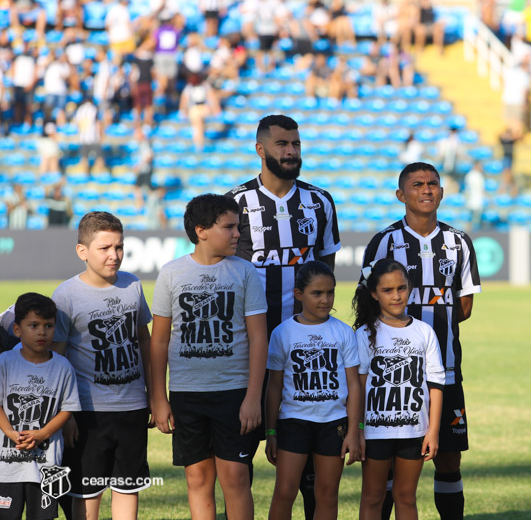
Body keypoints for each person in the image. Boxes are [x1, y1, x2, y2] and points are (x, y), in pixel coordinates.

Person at [227, 114, 341, 520]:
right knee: (236, 461)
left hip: (304, 353)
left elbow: (324, 273)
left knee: (309, 465)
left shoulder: (320, 201)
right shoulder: (235, 203)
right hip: (243, 352)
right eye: (281, 144)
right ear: (260, 150)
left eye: (295, 144)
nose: (290, 151)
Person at [361, 162, 481, 520]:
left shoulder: (458, 241)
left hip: (444, 368)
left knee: (448, 456)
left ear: (442, 192)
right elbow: (366, 304)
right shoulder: (384, 242)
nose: (426, 190)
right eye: (417, 185)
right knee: (388, 463)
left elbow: (465, 306)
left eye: (433, 184)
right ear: (401, 195)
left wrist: (427, 331)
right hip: (392, 376)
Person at [150, 194, 268, 520]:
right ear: (201, 230)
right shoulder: (172, 273)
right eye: (228, 227)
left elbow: (259, 337)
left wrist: (252, 398)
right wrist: (159, 398)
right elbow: (159, 342)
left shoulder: (245, 273)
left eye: (238, 227)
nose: (237, 234)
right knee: (198, 477)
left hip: (234, 394)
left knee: (235, 476)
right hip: (187, 395)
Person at [51, 212, 153, 520]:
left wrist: (153, 395)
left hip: (133, 408)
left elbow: (144, 341)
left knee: (127, 489)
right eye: (105, 248)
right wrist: (64, 415)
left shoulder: (133, 285)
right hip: (87, 414)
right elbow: (57, 360)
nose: (115, 255)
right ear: (82, 251)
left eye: (119, 247)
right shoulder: (66, 295)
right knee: (86, 494)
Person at [265, 261, 362, 519]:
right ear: (299, 294)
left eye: (330, 292)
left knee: (328, 493)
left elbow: (354, 384)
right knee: (285, 492)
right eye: (316, 293)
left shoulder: (343, 332)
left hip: (333, 423)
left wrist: (354, 431)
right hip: (293, 422)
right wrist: (271, 431)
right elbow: (273, 387)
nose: (325, 300)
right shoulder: (282, 332)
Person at [353, 259, 445, 520]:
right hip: (374, 432)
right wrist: (358, 430)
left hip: (413, 430)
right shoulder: (364, 334)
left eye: (401, 288)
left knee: (406, 496)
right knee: (372, 497)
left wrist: (433, 431)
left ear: (410, 288)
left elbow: (436, 385)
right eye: (387, 290)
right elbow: (358, 387)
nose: (396, 296)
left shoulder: (424, 331)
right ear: (374, 294)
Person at [0, 293, 81, 520]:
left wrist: (43, 433)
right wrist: (10, 433)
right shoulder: (5, 362)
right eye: (33, 325)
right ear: (17, 330)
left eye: (48, 326)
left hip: (46, 467)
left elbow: (69, 407)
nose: (42, 332)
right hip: (6, 466)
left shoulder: (63, 366)